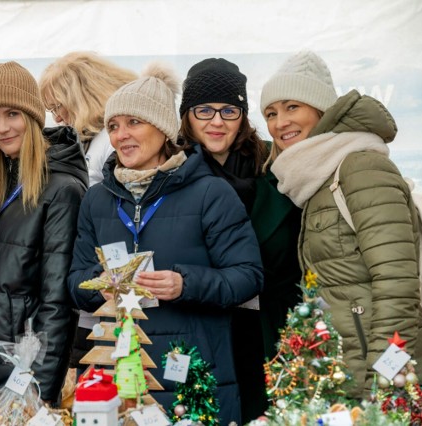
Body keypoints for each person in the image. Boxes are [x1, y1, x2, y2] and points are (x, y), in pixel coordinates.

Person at [67, 63, 263, 425]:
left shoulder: (210, 193)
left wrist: (184, 283)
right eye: (113, 126)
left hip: (191, 377)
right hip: (116, 379)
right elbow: (75, 282)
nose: (121, 135)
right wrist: (101, 284)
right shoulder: (97, 200)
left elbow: (248, 276)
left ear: (163, 128)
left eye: (133, 123)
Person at [260, 50, 422, 397]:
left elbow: (397, 283)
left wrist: (385, 376)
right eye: (271, 113)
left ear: (321, 110)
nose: (280, 123)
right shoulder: (316, 179)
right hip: (347, 373)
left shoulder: (359, 168)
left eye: (292, 107)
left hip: (382, 378)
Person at [0, 61, 87, 424]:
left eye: (12, 113)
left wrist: (36, 390)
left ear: (32, 116)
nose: (2, 127)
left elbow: (57, 304)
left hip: (16, 369)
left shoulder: (62, 190)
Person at [178, 58, 302, 422]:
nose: (217, 121)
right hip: (202, 333)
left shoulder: (279, 166)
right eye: (204, 110)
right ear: (187, 115)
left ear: (243, 116)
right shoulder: (172, 174)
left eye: (229, 110)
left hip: (272, 334)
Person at [38, 51, 138, 374]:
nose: (55, 117)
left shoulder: (109, 146)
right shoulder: (90, 142)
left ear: (79, 96)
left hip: (107, 285)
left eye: (57, 106)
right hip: (91, 281)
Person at [39, 51, 137, 186]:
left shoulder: (113, 139)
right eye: (51, 110)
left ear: (81, 99)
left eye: (57, 107)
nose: (57, 118)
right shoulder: (90, 137)